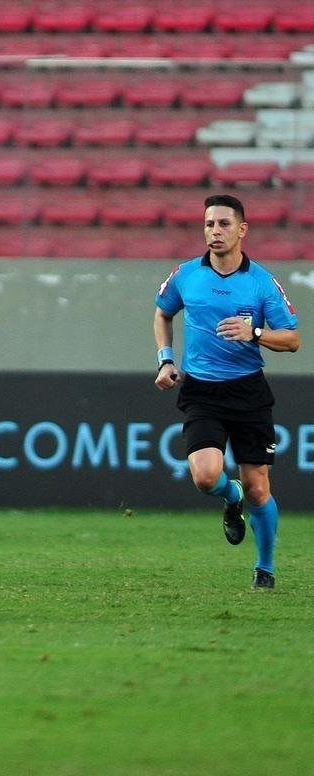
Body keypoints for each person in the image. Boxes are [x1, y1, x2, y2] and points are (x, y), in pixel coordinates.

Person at [154, 194, 300, 590]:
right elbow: (163, 313)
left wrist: (255, 332)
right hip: (201, 390)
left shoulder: (262, 283)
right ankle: (229, 496)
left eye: (223, 224)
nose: (215, 231)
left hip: (248, 391)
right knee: (205, 477)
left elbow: (292, 339)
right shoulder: (186, 274)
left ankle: (264, 568)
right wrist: (166, 360)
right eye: (209, 224)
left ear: (242, 229)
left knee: (259, 488)